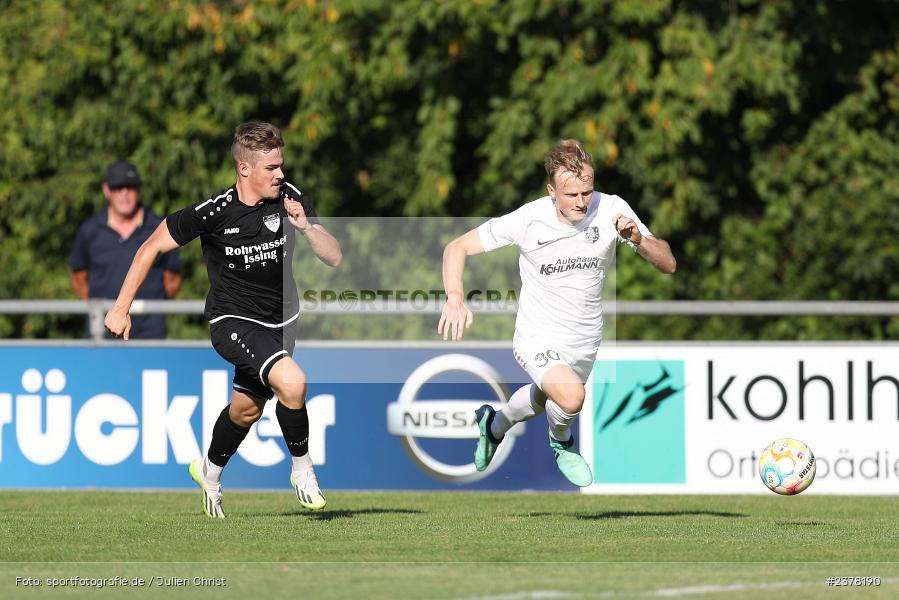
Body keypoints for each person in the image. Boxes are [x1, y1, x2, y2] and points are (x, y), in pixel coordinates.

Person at [104, 122, 342, 517]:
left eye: (281, 165)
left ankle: (208, 472)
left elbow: (334, 256)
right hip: (232, 320)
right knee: (293, 382)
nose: (280, 174)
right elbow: (150, 247)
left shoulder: (290, 198)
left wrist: (305, 227)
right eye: (271, 168)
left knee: (246, 410)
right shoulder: (212, 212)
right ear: (244, 169)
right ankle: (303, 471)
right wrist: (120, 307)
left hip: (282, 321)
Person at [438, 139, 676, 487]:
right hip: (536, 335)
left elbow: (668, 263)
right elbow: (456, 247)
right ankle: (561, 442)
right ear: (552, 191)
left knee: (547, 395)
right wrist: (455, 297)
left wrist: (639, 239)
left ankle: (493, 425)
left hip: (585, 339)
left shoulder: (612, 209)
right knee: (570, 397)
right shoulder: (528, 219)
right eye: (571, 195)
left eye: (587, 192)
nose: (582, 202)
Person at [70, 160, 182, 339]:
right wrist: (101, 311)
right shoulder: (90, 230)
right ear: (106, 190)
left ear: (139, 189)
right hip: (103, 332)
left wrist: (147, 309)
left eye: (130, 187)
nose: (124, 194)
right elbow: (78, 278)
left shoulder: (160, 228)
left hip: (149, 333)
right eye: (118, 188)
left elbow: (173, 281)